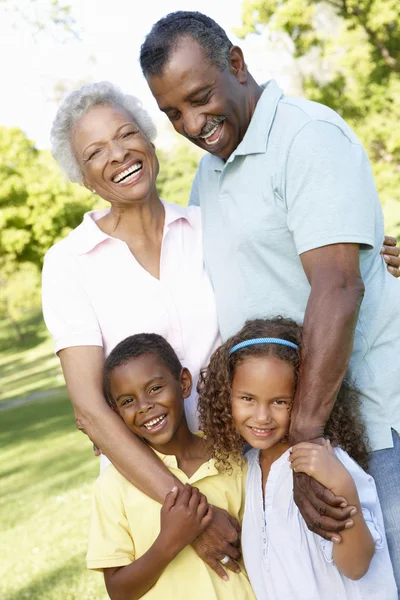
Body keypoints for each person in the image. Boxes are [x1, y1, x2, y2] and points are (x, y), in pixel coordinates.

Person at [140, 11, 400, 584]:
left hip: (366, 428)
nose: (191, 123)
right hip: (281, 439)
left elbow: (338, 286)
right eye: (172, 113)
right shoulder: (208, 175)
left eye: (200, 97)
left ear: (236, 63)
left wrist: (306, 444)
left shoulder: (307, 137)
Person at [42, 81, 242, 578]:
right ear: (83, 178)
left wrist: (379, 255)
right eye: (94, 152)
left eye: (127, 134)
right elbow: (90, 408)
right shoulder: (70, 263)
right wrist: (190, 511)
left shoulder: (207, 227)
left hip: (240, 469)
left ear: (150, 142)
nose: (118, 154)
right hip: (151, 494)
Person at [197, 317, 397, 599]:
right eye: (247, 399)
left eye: (280, 401)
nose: (262, 416)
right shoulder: (249, 468)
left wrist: (343, 486)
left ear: (303, 399)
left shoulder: (324, 464)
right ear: (225, 395)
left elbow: (356, 566)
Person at [87, 332, 255, 600]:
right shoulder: (113, 485)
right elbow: (119, 591)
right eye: (128, 401)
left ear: (184, 383)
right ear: (116, 412)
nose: (144, 406)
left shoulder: (231, 458)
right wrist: (169, 541)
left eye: (154, 388)